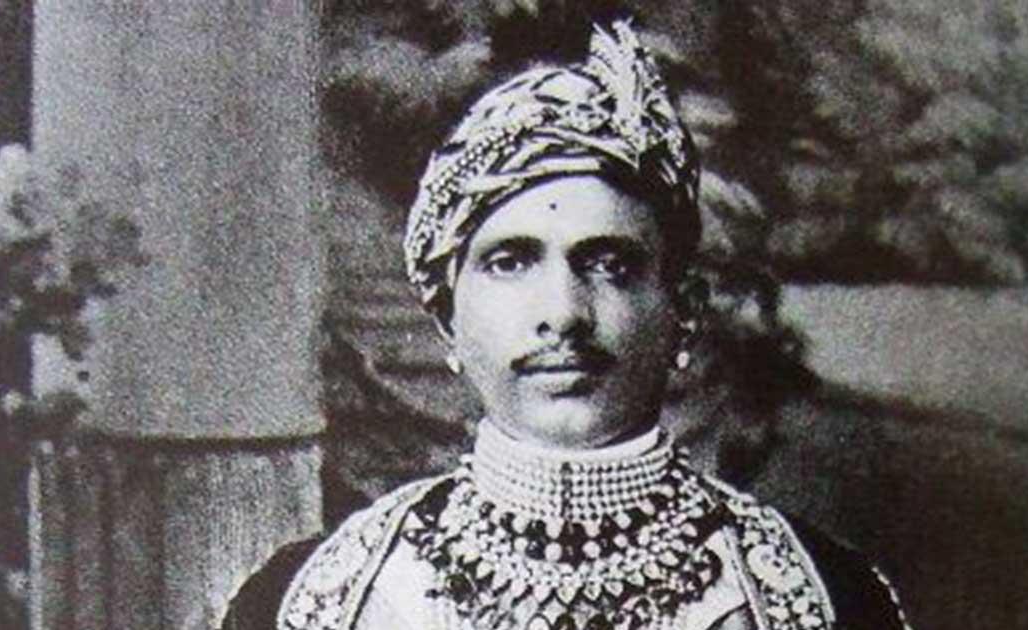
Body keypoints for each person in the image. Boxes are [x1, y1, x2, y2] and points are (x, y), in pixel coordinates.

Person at [224, 19, 910, 630]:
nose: (563, 313)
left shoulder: (827, 599)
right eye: (510, 262)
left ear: (684, 313)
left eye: (610, 265)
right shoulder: (309, 600)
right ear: (447, 319)